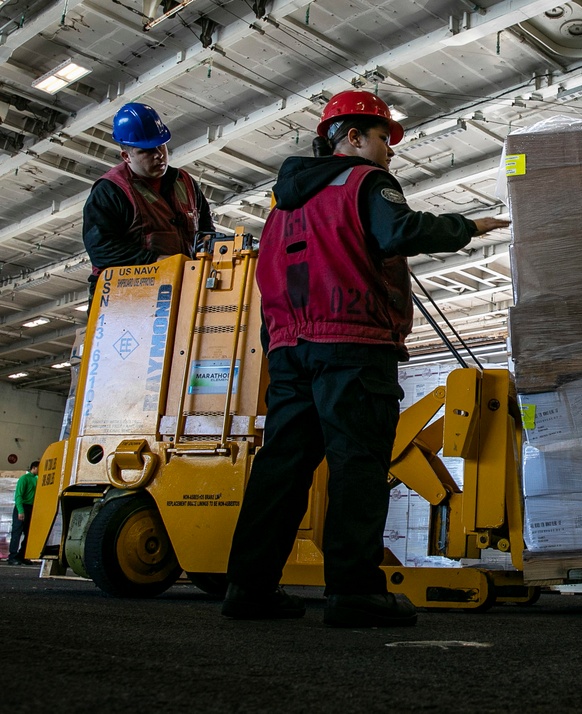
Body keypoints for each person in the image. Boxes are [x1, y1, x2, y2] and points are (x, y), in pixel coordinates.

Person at [222, 89, 509, 627]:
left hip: (289, 351)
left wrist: (282, 345)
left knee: (282, 469)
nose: (391, 151)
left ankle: (248, 587)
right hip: (353, 347)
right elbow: (398, 230)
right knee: (358, 466)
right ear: (352, 137)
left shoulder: (282, 207)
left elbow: (269, 280)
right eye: (383, 137)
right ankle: (354, 593)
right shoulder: (365, 181)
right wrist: (467, 226)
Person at [82, 102, 215, 299]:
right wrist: (156, 260)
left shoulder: (184, 182)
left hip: (179, 285)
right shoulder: (110, 190)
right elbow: (101, 249)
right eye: (146, 151)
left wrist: (207, 244)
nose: (158, 155)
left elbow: (205, 229)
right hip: (124, 294)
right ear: (126, 156)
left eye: (161, 146)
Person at [7, 460, 38, 566]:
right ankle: (12, 556)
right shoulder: (24, 479)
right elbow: (18, 496)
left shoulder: (37, 479)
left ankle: (22, 555)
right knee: (17, 532)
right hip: (22, 507)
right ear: (34, 468)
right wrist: (20, 511)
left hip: (31, 507)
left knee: (28, 534)